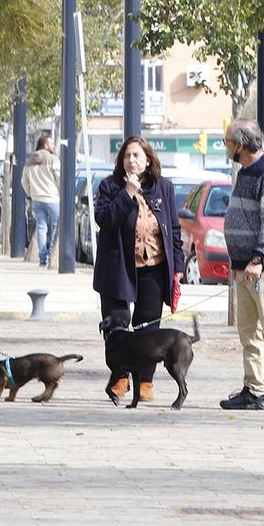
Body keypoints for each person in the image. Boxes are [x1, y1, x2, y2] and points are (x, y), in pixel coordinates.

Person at [93, 135, 183, 404]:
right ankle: (120, 378)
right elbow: (105, 220)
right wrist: (127, 194)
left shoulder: (163, 188)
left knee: (148, 329)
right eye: (127, 156)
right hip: (117, 268)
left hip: (153, 268)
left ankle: (145, 381)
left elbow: (174, 229)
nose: (131, 161)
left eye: (137, 156)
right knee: (117, 326)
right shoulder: (110, 187)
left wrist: (177, 267)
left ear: (148, 160)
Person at [219, 118, 264, 411]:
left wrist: (257, 258)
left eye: (227, 141)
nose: (225, 145)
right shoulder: (247, 171)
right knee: (249, 331)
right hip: (245, 267)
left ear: (240, 144)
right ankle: (254, 387)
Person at [21, 134, 61, 268]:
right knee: (56, 226)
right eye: (51, 143)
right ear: (45, 145)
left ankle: (42, 258)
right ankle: (52, 255)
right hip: (53, 198)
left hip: (37, 199)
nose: (53, 146)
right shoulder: (53, 159)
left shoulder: (29, 162)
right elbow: (59, 178)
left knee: (41, 228)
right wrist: (62, 194)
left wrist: (31, 194)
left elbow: (24, 182)